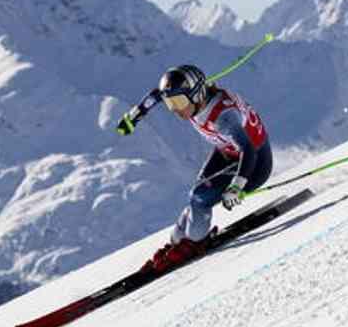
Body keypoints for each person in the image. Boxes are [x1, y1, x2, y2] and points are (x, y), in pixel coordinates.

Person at [115, 64, 273, 272]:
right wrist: (134, 116)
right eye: (172, 103)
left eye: (179, 102)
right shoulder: (193, 98)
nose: (177, 110)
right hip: (227, 151)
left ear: (197, 94)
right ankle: (177, 243)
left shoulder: (223, 117)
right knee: (197, 194)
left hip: (254, 164)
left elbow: (249, 151)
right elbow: (157, 95)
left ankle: (195, 243)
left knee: (200, 197)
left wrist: (236, 187)